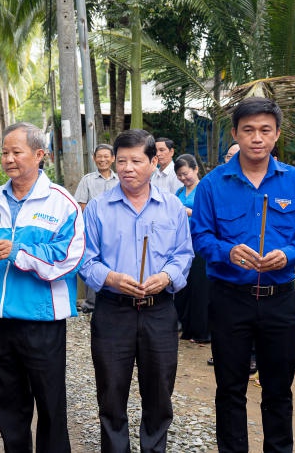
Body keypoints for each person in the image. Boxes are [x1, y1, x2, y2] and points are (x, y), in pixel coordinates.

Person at [191, 97, 295, 452]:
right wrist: (227, 252)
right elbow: (201, 236)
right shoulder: (213, 185)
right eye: (248, 130)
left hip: (281, 302)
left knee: (278, 390)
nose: (256, 138)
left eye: (265, 130)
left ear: (276, 136)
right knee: (230, 389)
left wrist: (288, 254)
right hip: (230, 300)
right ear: (235, 134)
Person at [0, 122, 84, 453]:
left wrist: (19, 252)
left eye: (16, 152)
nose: (8, 159)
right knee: (9, 409)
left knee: (50, 407)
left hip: (42, 322)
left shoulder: (61, 202)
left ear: (39, 154)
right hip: (1, 322)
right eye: (4, 152)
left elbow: (68, 259)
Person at [79, 129, 193, 453]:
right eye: (121, 161)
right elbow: (85, 259)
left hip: (159, 309)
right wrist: (112, 278)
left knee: (159, 392)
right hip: (114, 310)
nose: (127, 168)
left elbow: (184, 254)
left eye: (136, 160)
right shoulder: (98, 208)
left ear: (154, 162)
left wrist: (166, 276)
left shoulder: (171, 206)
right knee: (111, 393)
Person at [74, 143, 118, 314]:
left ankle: (112, 297)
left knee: (112, 261)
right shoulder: (87, 180)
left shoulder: (120, 179)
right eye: (99, 156)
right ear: (94, 158)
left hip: (115, 229)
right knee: (92, 260)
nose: (102, 159)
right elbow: (81, 205)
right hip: (92, 229)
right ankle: (91, 302)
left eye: (106, 156)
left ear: (113, 158)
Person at [173, 154, 210, 343]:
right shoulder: (179, 192)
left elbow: (210, 216)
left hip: (200, 244)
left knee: (200, 289)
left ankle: (202, 331)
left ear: (196, 169)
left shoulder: (205, 189)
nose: (183, 178)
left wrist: (189, 213)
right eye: (179, 175)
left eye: (185, 173)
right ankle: (187, 328)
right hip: (182, 244)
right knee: (184, 288)